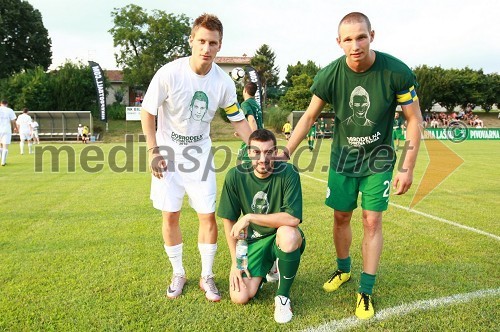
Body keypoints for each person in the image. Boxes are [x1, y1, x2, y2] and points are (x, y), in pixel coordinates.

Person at [282, 12, 422, 320]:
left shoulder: (396, 72)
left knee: (372, 221)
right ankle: (343, 269)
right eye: (348, 39)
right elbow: (308, 117)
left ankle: (366, 290)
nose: (355, 44)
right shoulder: (329, 76)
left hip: (379, 160)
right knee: (341, 216)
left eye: (361, 36)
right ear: (339, 42)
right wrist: (286, 152)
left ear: (373, 35)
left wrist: (407, 166)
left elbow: (414, 119)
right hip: (343, 160)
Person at [140, 13, 252, 302]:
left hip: (200, 155)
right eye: (201, 41)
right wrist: (153, 150)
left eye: (212, 43)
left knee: (208, 217)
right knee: (171, 215)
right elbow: (148, 111)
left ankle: (207, 276)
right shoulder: (169, 73)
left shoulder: (223, 82)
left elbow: (237, 119)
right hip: (167, 154)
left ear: (219, 45)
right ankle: (178, 272)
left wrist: (256, 145)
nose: (206, 48)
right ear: (191, 41)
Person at [218, 129, 305, 324]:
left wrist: (249, 217)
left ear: (276, 152)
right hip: (254, 241)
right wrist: (236, 263)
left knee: (288, 234)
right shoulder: (235, 176)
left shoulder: (288, 173)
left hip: (279, 236)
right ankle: (270, 266)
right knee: (239, 297)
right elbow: (229, 221)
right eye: (256, 152)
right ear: (248, 152)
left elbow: (292, 219)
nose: (263, 159)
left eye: (268, 152)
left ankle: (282, 297)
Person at [237, 82, 263, 163]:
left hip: (252, 138)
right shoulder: (256, 104)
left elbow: (252, 120)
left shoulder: (245, 104)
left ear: (244, 90)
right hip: (260, 136)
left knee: (242, 164)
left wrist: (254, 139)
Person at [0, 100, 17, 166]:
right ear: (6, 104)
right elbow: (13, 120)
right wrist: (15, 127)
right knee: (5, 145)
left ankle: (1, 159)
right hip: (6, 129)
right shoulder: (10, 110)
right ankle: (3, 162)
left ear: (0, 104)